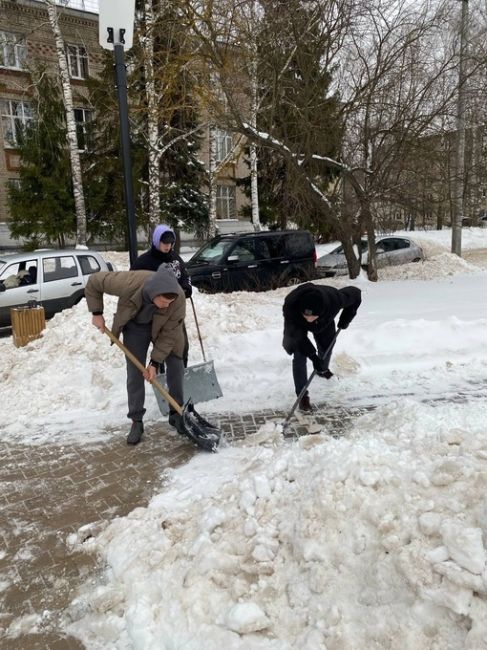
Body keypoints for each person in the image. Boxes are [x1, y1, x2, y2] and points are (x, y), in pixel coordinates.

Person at [86, 264, 187, 446]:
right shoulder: (129, 282)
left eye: (169, 303)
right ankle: (136, 421)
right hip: (136, 326)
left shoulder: (177, 299)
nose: (167, 305)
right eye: (164, 302)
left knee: (176, 363)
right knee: (134, 372)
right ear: (155, 293)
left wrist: (154, 363)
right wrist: (97, 312)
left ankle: (176, 414)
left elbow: (170, 335)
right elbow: (94, 282)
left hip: (166, 328)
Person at [282, 282, 362, 411]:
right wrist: (313, 357)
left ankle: (322, 369)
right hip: (297, 325)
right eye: (306, 315)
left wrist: (345, 319)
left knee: (327, 346)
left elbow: (356, 293)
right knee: (299, 355)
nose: (309, 319)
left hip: (325, 321)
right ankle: (302, 395)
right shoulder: (291, 306)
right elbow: (298, 338)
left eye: (312, 316)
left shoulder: (335, 300)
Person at [131, 224, 192, 367]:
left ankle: (182, 375)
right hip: (156, 314)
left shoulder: (175, 258)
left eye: (171, 243)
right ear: (156, 241)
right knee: (163, 348)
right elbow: (132, 284)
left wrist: (186, 288)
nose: (168, 246)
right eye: (165, 242)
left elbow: (185, 275)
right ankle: (162, 376)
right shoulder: (144, 262)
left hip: (175, 312)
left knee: (182, 346)